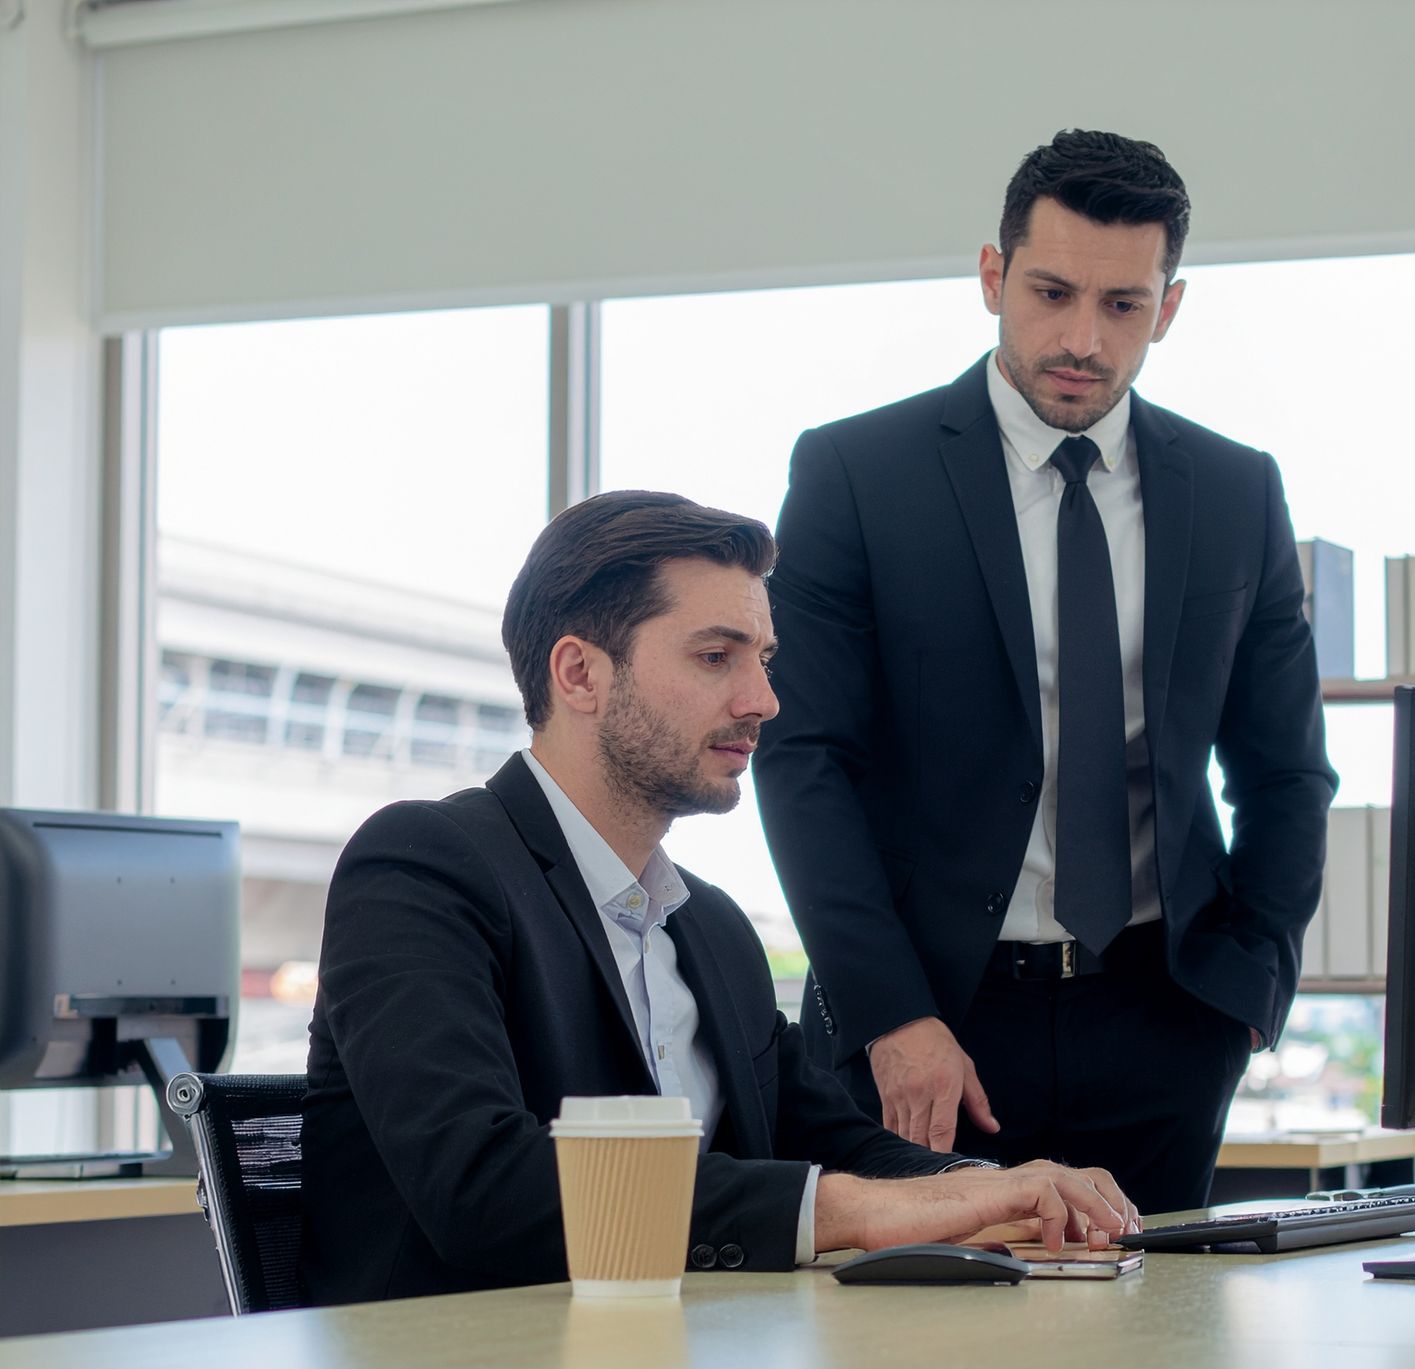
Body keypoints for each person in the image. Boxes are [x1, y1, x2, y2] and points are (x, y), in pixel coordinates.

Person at [302, 490, 1136, 1305]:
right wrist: (859, 1212)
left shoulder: (711, 928)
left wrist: (997, 1189)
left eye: (763, 660)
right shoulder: (422, 866)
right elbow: (482, 1187)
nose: (763, 701)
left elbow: (833, 1140)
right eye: (715, 657)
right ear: (579, 672)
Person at [755, 129, 1338, 1214]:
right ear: (993, 277)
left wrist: (1248, 988)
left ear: (1167, 308)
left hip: (1166, 1021)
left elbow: (1287, 772)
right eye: (1052, 291)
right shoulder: (855, 473)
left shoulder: (1236, 491)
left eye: (1123, 305)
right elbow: (802, 759)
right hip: (933, 1032)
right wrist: (890, 1015)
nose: (1082, 338)